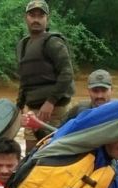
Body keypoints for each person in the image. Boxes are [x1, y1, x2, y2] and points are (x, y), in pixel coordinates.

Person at [16, 0, 75, 153]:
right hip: (32, 110)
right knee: (31, 153)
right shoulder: (23, 45)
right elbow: (25, 80)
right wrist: (19, 106)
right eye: (32, 15)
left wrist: (50, 102)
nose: (36, 19)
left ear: (46, 19)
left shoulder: (53, 42)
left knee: (52, 152)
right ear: (26, 18)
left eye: (40, 16)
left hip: (54, 109)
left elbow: (67, 73)